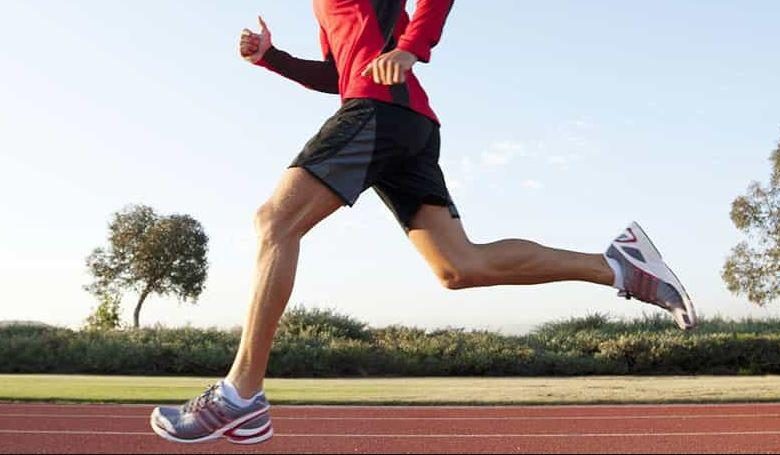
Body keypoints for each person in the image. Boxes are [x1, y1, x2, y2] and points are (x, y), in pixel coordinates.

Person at [150, 0, 697, 445]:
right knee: (460, 266)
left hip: (380, 110)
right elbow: (340, 72)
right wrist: (273, 58)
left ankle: (241, 396)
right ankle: (618, 267)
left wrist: (411, 49)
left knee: (275, 222)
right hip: (399, 117)